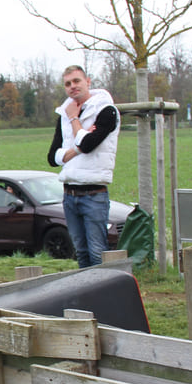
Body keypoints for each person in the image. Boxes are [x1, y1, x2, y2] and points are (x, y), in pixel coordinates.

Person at [47, 65, 120, 268]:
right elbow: (52, 157)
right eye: (67, 84)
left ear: (88, 81)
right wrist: (74, 151)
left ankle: (101, 295)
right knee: (80, 251)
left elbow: (88, 145)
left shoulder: (106, 111)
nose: (72, 87)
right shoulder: (63, 115)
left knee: (97, 251)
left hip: (94, 194)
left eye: (76, 81)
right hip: (69, 194)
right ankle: (86, 294)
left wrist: (74, 119)